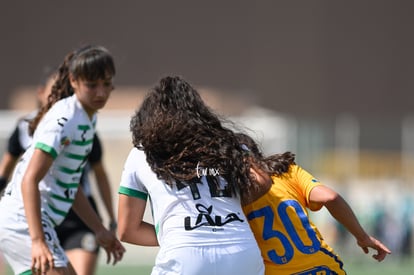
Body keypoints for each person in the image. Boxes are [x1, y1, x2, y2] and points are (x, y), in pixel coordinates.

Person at [117, 76, 265, 275]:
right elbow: (263, 181)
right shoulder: (226, 145)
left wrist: (176, 233)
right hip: (241, 251)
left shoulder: (142, 152)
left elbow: (127, 230)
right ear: (199, 113)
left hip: (185, 256)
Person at [0, 44, 125, 275]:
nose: (101, 93)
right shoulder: (65, 120)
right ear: (74, 81)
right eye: (92, 85)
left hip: (35, 224)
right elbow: (29, 179)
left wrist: (99, 229)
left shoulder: (86, 119)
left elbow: (70, 184)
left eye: (106, 84)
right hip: (23, 223)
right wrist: (37, 240)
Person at [236, 132, 392, 274]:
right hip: (324, 267)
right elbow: (330, 197)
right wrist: (362, 237)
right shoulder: (288, 171)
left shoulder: (231, 195)